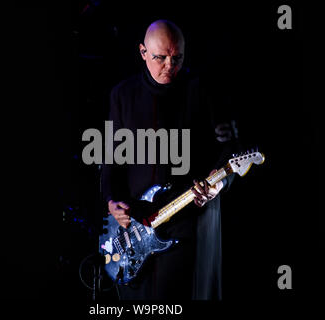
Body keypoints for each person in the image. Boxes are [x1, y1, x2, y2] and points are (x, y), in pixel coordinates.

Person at [101, 19, 237, 300]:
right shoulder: (122, 95)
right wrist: (112, 201)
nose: (169, 66)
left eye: (177, 58)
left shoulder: (203, 89)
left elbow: (230, 149)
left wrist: (218, 186)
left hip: (191, 222)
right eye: (160, 57)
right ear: (142, 52)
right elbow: (110, 160)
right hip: (136, 228)